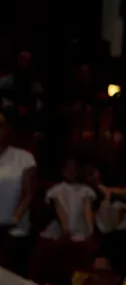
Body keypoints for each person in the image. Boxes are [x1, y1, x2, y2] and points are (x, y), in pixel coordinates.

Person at [0, 113, 37, 274]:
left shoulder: (24, 157)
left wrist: (14, 218)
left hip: (13, 231)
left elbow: (28, 194)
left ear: (7, 129)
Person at [41, 157, 96, 241]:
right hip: (61, 231)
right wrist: (65, 230)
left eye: (74, 169)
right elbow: (59, 210)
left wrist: (90, 229)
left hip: (81, 229)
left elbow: (87, 209)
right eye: (69, 169)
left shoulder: (86, 190)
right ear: (63, 171)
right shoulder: (56, 190)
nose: (72, 172)